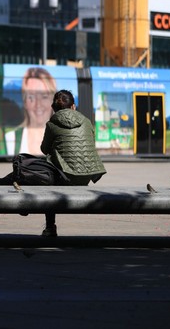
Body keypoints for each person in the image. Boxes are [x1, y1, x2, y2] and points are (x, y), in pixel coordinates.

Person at [39, 89, 106, 237]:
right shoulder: (87, 121)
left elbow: (44, 149)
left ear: (54, 109)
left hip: (65, 177)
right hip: (87, 175)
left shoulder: (51, 124)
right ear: (73, 106)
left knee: (46, 176)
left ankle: (50, 227)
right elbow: (90, 145)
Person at [6, 67, 57, 156]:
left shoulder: (64, 140)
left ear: (53, 101)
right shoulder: (10, 140)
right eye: (31, 97)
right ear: (25, 102)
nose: (38, 104)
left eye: (44, 96)